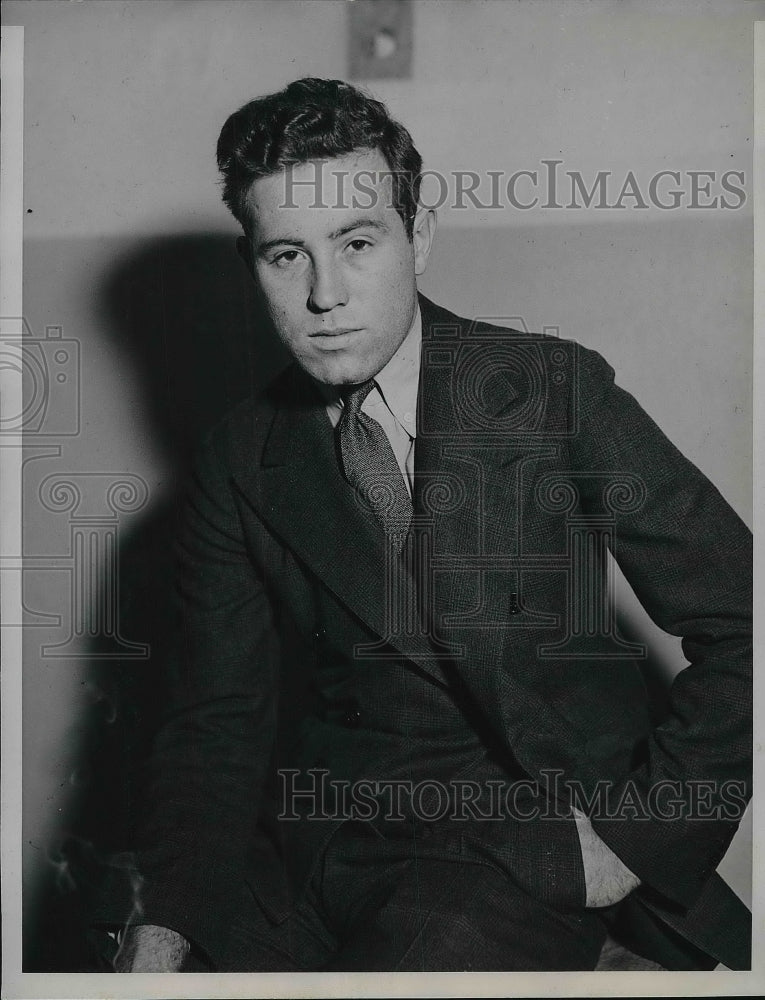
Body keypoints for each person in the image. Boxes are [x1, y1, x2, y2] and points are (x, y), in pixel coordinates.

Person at [107, 77, 752, 972]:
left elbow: (745, 618)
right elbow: (215, 724)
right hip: (310, 852)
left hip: (518, 850)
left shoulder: (549, 391)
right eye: (286, 256)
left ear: (421, 238)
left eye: (357, 242)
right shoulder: (237, 458)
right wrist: (166, 920)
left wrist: (639, 836)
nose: (325, 294)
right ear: (251, 263)